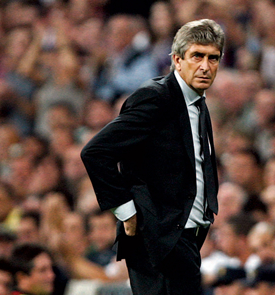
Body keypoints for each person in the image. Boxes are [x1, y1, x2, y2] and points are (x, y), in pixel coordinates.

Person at [81, 19, 224, 294]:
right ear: (177, 60)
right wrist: (127, 211)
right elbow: (96, 152)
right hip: (158, 239)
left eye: (213, 58)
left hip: (183, 237)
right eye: (197, 56)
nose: (206, 66)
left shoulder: (197, 100)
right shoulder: (155, 98)